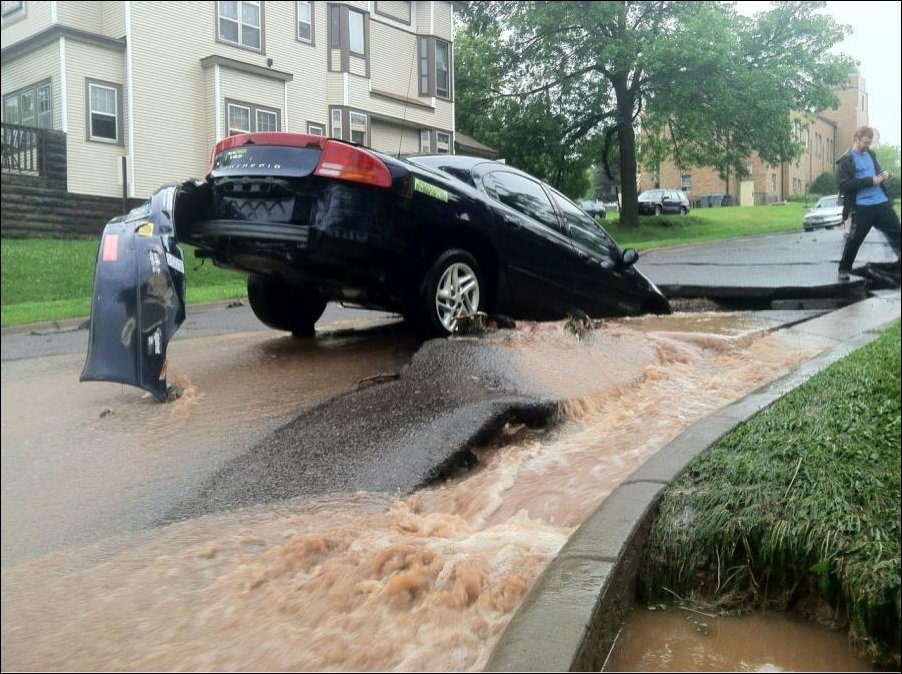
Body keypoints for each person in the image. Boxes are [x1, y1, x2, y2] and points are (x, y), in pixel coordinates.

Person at [835, 126, 901, 281]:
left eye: (869, 143)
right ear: (856, 139)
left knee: (897, 232)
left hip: (881, 203)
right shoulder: (846, 160)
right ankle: (844, 270)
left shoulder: (871, 154)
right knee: (855, 239)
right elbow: (843, 185)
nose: (867, 146)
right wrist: (871, 181)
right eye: (865, 142)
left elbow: (874, 174)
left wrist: (883, 175)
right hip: (863, 206)